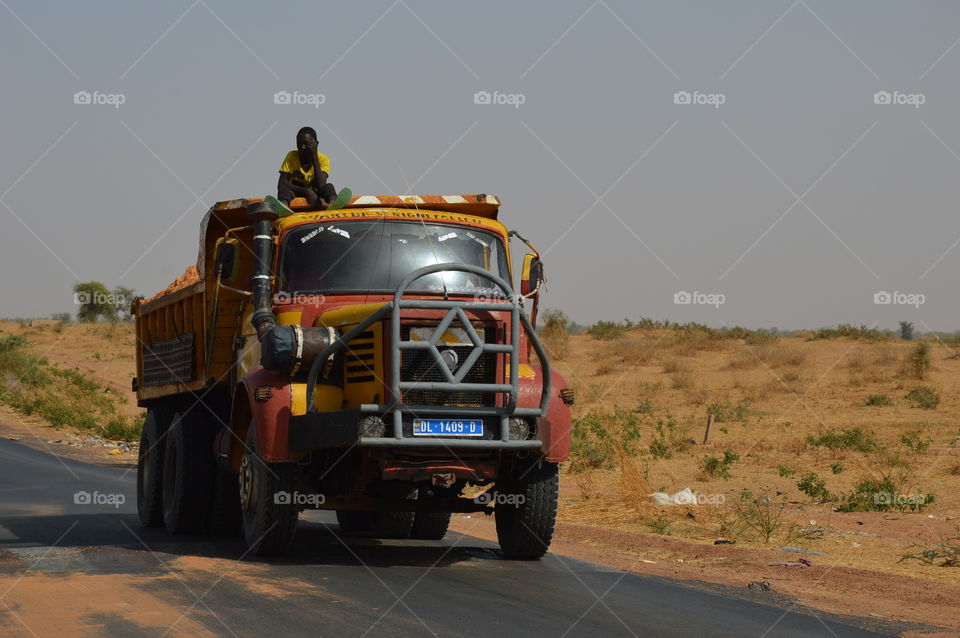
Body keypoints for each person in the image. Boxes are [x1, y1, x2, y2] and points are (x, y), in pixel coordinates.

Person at [278, 127, 337, 208]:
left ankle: (332, 204)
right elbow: (282, 183)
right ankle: (284, 205)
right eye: (299, 143)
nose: (302, 147)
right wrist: (306, 191)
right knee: (284, 189)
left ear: (316, 144)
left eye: (306, 144)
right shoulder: (292, 156)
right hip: (295, 194)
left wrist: (314, 155)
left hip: (316, 197)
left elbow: (321, 184)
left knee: (329, 187)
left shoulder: (323, 159)